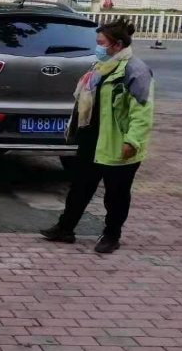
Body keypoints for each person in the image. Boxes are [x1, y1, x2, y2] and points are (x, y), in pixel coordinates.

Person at [42, 18, 155, 254]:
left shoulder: (136, 71)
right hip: (92, 139)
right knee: (80, 187)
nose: (97, 47)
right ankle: (65, 228)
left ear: (116, 45)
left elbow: (142, 113)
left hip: (119, 143)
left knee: (116, 193)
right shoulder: (100, 67)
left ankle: (112, 235)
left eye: (101, 43)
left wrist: (132, 142)